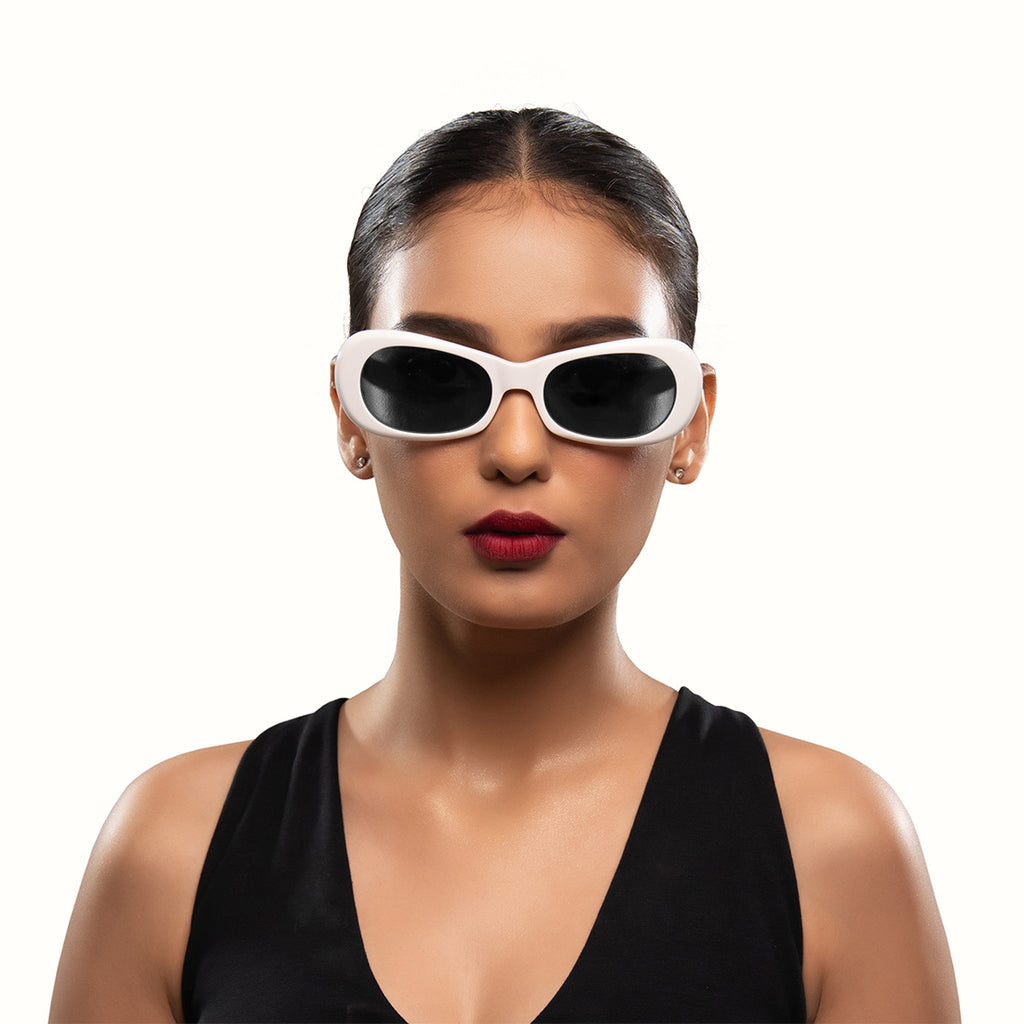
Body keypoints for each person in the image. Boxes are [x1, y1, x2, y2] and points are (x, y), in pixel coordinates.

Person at [49, 108, 960, 1023]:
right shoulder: (172, 851)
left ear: (690, 426)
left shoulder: (831, 848)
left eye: (599, 384)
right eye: (435, 377)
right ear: (350, 415)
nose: (516, 451)